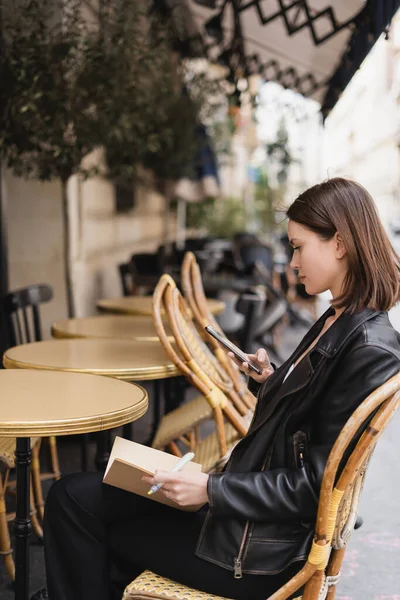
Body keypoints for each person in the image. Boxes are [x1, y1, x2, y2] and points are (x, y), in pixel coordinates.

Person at [32, 178, 400, 600]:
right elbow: (309, 420)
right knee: (77, 496)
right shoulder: (342, 318)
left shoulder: (369, 348)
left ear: (339, 243)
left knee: (80, 513)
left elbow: (317, 486)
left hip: (255, 553)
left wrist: (209, 490)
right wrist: (272, 380)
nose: (291, 262)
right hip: (245, 520)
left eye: (297, 247)